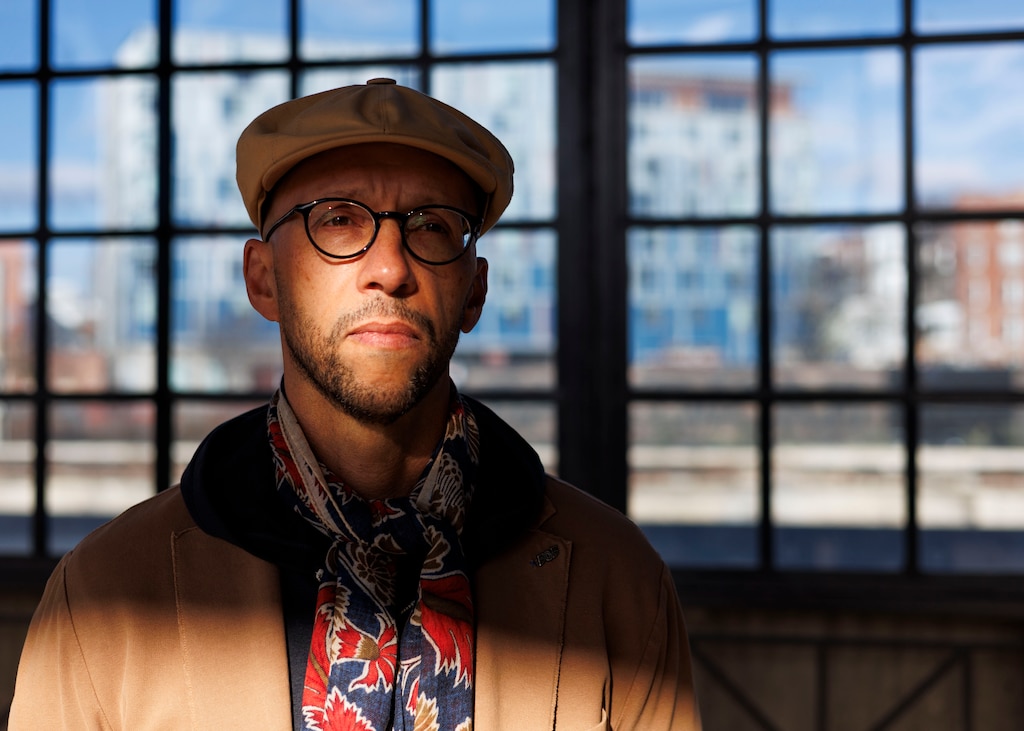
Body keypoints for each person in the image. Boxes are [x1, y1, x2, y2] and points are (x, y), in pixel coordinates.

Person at [10, 79, 702, 730]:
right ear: (262, 280)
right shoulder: (102, 594)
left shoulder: (619, 578)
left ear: (475, 292)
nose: (391, 266)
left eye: (432, 226)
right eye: (337, 220)